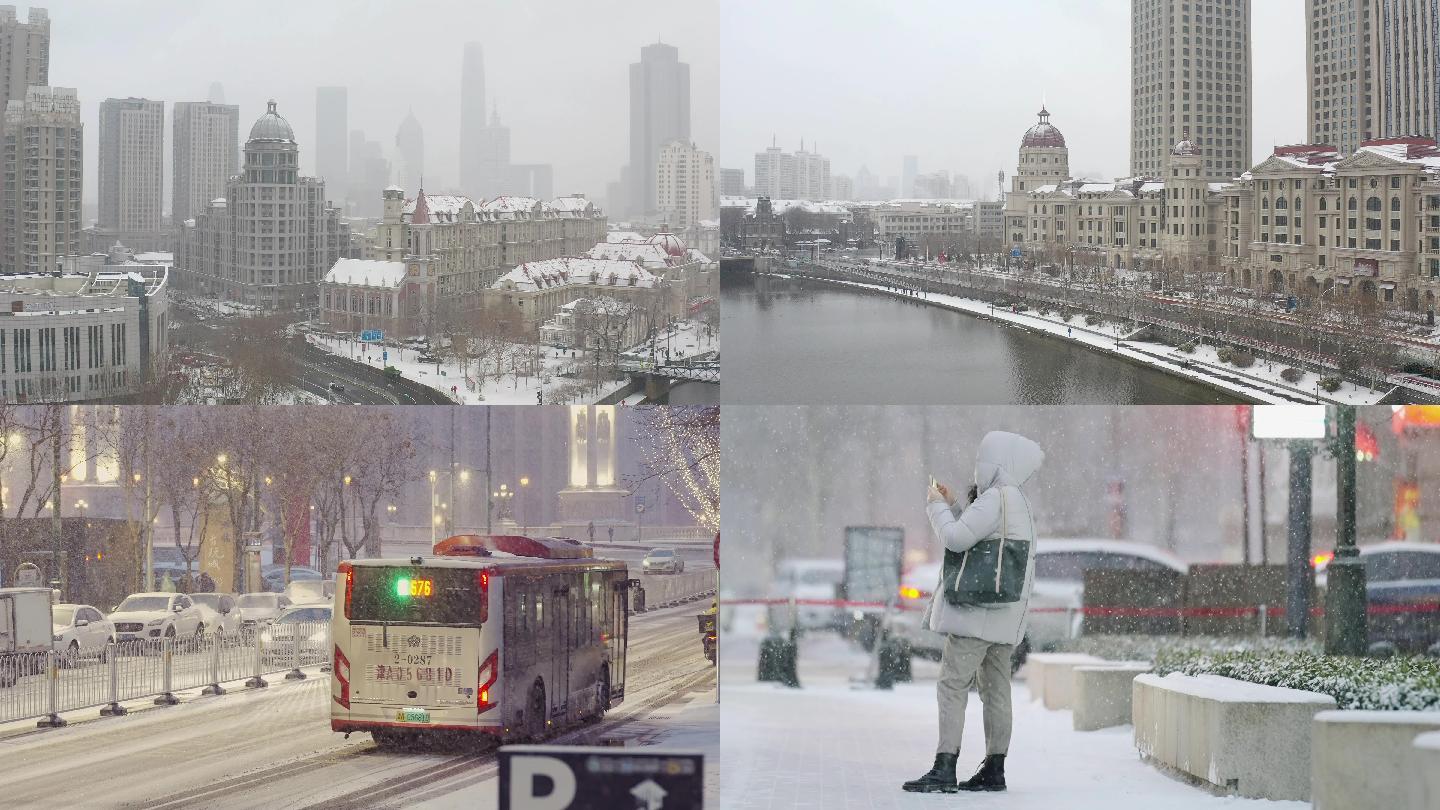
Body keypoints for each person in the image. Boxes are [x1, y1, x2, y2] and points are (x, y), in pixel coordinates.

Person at [903, 430, 1044, 795]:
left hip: (975, 612)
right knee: (997, 690)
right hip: (1004, 615)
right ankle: (994, 769)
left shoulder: (995, 498)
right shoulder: (1019, 502)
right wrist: (953, 506)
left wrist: (935, 505)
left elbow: (956, 539)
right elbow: (981, 537)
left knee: (952, 685)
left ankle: (944, 766)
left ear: (993, 463)